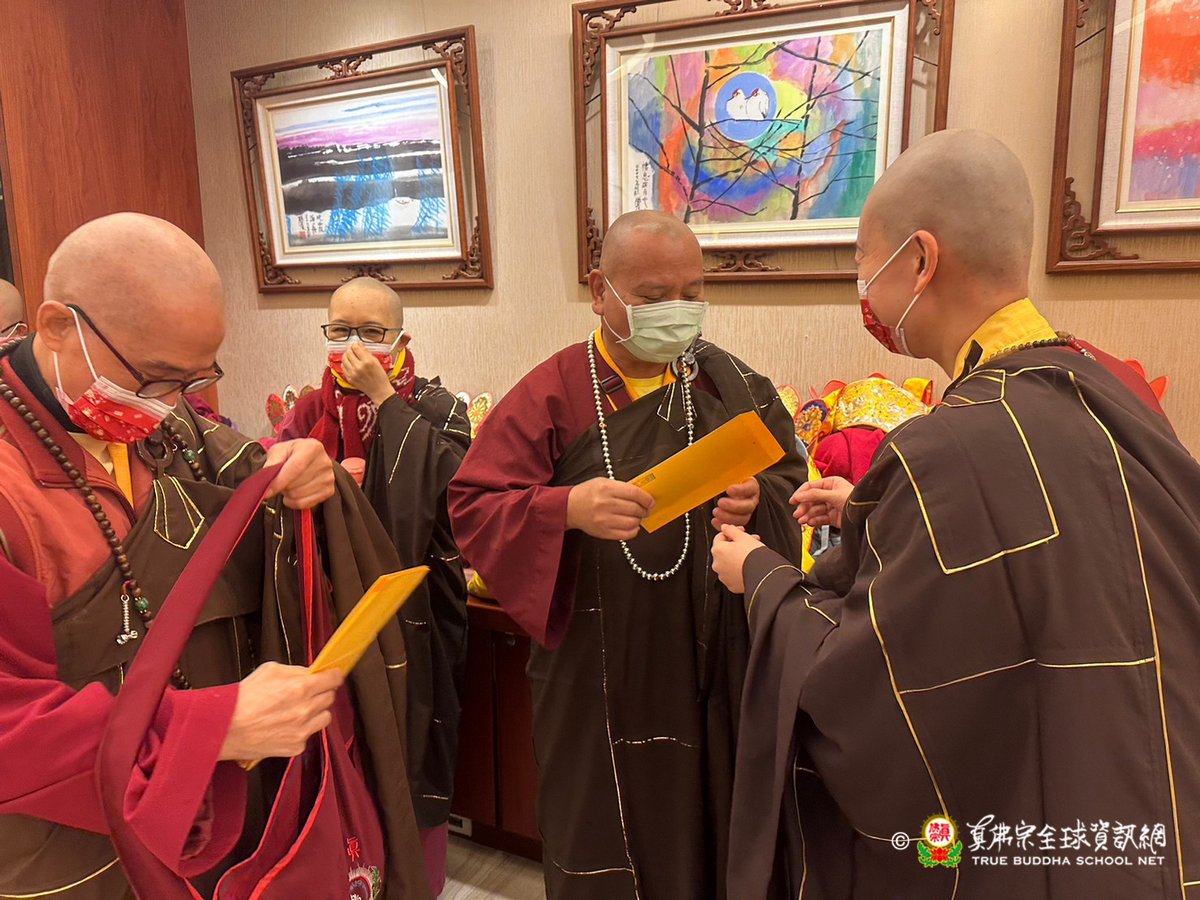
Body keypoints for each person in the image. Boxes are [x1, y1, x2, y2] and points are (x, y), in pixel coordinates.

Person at [711, 130, 1200, 899]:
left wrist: (761, 577)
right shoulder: (1111, 386)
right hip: (1154, 793)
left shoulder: (946, 448)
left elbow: (867, 679)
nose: (862, 285)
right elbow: (1065, 543)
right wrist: (869, 508)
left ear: (920, 260)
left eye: (864, 259)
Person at [0, 213, 429, 898]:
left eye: (196, 379)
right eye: (158, 378)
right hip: (70, 850)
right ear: (56, 327)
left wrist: (304, 467)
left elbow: (259, 476)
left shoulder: (165, 422)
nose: (179, 404)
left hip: (211, 810)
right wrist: (210, 727)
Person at [448, 210, 806, 899]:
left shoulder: (731, 383)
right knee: (602, 837)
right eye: (652, 296)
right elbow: (473, 504)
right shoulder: (552, 393)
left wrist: (756, 497)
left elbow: (789, 477)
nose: (677, 311)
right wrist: (565, 508)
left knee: (711, 824)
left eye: (692, 293)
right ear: (599, 290)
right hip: (596, 667)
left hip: (713, 657)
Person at [279, 276, 470, 894]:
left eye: (371, 331)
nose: (354, 344)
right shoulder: (309, 410)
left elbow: (460, 499)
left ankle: (418, 879)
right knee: (347, 744)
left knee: (415, 744)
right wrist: (330, 485)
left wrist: (386, 400)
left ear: (401, 340)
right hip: (333, 603)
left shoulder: (438, 407)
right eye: (340, 330)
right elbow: (275, 494)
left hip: (418, 605)